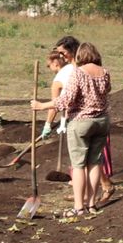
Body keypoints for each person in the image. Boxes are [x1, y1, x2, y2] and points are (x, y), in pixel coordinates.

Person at [32, 41, 111, 219]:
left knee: (78, 165)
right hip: (102, 121)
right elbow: (107, 90)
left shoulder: (78, 73)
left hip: (82, 122)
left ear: (80, 56)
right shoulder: (104, 72)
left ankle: (78, 207)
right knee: (95, 163)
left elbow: (65, 100)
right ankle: (91, 205)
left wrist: (41, 106)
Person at [45, 36, 79, 175]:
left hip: (76, 116)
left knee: (77, 151)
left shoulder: (58, 79)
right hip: (88, 113)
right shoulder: (75, 66)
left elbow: (55, 104)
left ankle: (76, 179)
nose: (49, 68)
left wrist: (48, 124)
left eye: (49, 65)